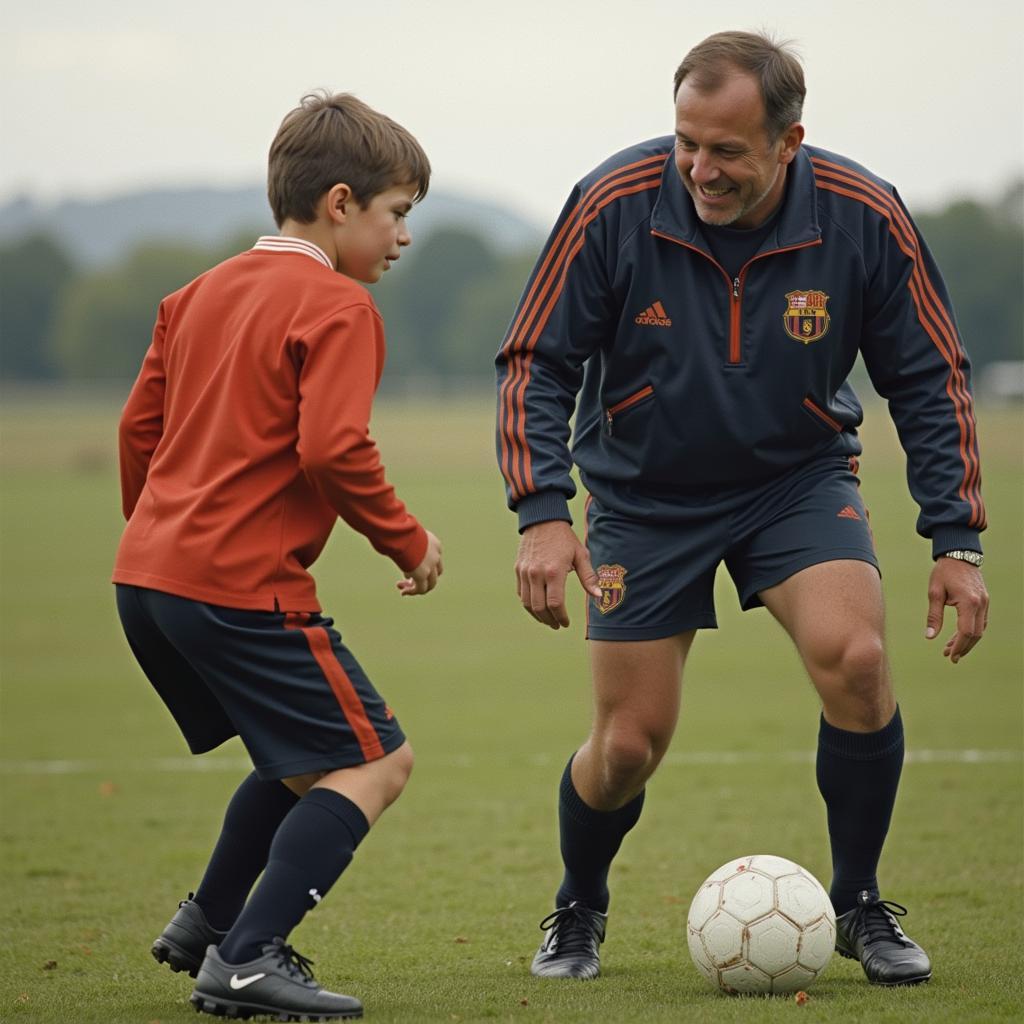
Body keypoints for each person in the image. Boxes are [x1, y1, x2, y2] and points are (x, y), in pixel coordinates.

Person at [495, 30, 989, 987]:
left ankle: (859, 904)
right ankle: (579, 905)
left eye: (726, 150)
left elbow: (931, 378)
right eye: (686, 141)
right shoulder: (612, 205)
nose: (699, 168)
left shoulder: (862, 215)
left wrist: (956, 536)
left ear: (789, 140)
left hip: (796, 481)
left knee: (858, 659)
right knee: (627, 746)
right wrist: (543, 513)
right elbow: (536, 361)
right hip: (642, 497)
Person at [114, 91, 443, 1021]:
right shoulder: (338, 306)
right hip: (234, 586)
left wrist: (160, 538)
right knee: (377, 762)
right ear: (341, 204)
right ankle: (249, 956)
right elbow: (333, 450)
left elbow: (139, 428)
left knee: (299, 756)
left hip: (145, 579)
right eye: (398, 214)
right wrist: (410, 542)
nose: (402, 238)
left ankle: (207, 921)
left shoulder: (195, 294)